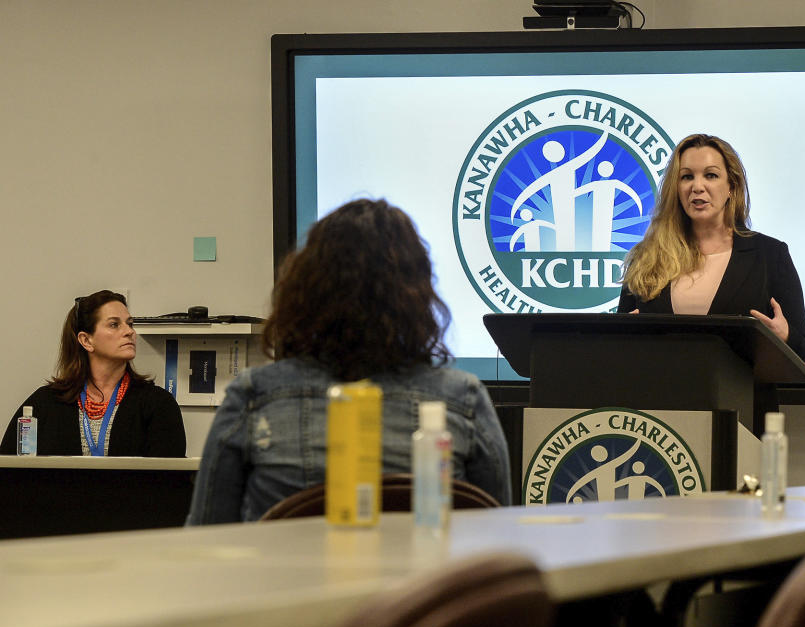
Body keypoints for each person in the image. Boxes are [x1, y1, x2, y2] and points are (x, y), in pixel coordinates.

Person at [186, 199, 511, 524]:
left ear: (304, 291)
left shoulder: (255, 397)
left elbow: (205, 537)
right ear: (418, 298)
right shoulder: (463, 400)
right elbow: (498, 543)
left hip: (292, 576)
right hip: (426, 575)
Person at [618, 134, 805, 362]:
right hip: (661, 394)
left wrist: (784, 335)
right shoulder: (646, 257)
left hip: (742, 397)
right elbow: (619, 346)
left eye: (710, 175)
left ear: (732, 186)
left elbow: (803, 349)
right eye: (687, 177)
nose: (697, 187)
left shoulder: (770, 254)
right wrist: (623, 336)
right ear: (676, 188)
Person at [1, 290, 187, 456]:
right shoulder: (44, 404)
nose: (129, 331)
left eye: (129, 324)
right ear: (86, 340)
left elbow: (168, 483)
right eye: (114, 324)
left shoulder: (158, 404)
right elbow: (11, 474)